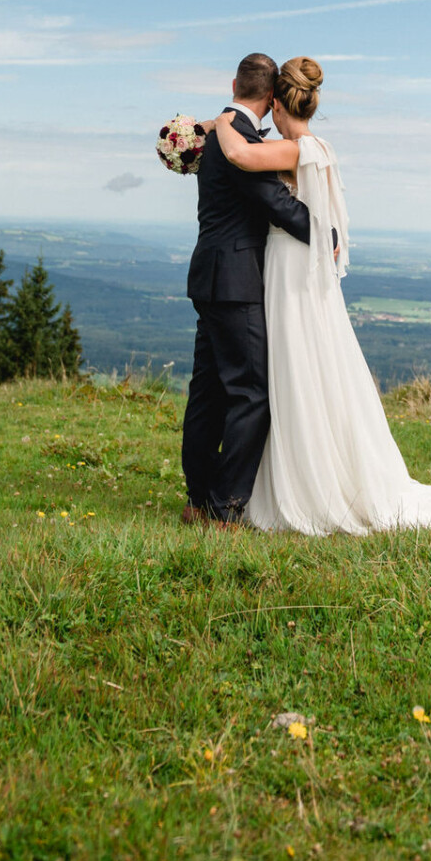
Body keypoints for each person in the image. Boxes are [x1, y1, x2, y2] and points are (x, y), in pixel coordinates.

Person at [210, 56, 431, 536]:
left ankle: (307, 485)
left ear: (275, 103)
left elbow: (240, 156)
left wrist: (220, 123)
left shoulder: (303, 150)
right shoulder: (307, 146)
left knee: (296, 365)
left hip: (291, 270)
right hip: (292, 266)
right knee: (298, 368)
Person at [181, 52, 312, 524]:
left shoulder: (220, 129)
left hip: (209, 277)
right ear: (274, 95)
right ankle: (225, 508)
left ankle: (198, 500)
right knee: (251, 393)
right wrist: (326, 235)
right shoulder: (239, 137)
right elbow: (274, 202)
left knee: (209, 393)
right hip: (236, 285)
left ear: (234, 82)